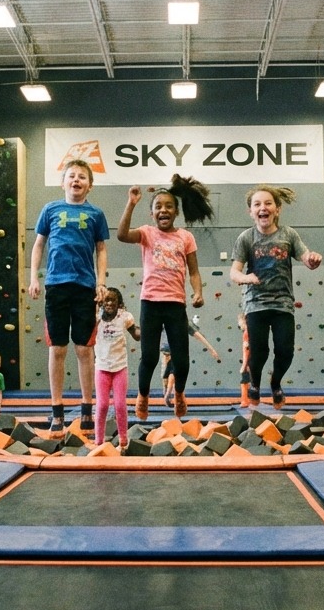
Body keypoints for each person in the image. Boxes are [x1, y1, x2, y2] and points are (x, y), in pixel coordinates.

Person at [117, 175, 213, 419]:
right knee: (148, 357)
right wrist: (131, 203)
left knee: (181, 360)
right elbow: (121, 235)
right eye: (158, 206)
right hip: (150, 303)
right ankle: (143, 396)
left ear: (176, 212)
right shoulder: (147, 233)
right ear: (152, 214)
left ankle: (179, 394)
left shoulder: (185, 237)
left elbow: (193, 271)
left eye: (168, 206)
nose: (163, 210)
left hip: (175, 305)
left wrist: (198, 292)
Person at [29, 159, 109, 433]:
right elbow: (38, 244)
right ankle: (57, 410)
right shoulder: (50, 209)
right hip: (56, 285)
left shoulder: (96, 214)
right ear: (63, 182)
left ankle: (88, 408)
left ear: (90, 185)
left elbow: (101, 249)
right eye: (71, 176)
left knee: (84, 349)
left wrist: (101, 282)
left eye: (82, 177)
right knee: (58, 348)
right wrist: (33, 278)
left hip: (85, 286)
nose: (76, 180)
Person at [231, 184, 323, 410]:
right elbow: (233, 271)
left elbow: (305, 257)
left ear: (278, 209)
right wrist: (246, 278)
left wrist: (312, 260)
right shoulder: (246, 238)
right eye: (257, 204)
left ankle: (276, 382)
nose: (263, 208)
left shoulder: (288, 234)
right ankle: (254, 382)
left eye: (268, 203)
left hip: (283, 303)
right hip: (256, 304)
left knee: (285, 350)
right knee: (259, 350)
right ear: (250, 212)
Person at [93, 288, 139, 448]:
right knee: (102, 405)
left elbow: (136, 334)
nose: (110, 303)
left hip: (120, 367)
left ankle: (123, 440)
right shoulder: (97, 316)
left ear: (119, 303)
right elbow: (87, 332)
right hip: (102, 367)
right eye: (106, 300)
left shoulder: (124, 317)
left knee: (120, 404)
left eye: (113, 300)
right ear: (102, 302)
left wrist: (149, 330)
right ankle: (99, 441)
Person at [158, 316, 221, 408]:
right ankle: (170, 394)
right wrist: (211, 349)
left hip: (171, 352)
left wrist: (211, 349)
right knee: (169, 375)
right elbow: (198, 336)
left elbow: (198, 335)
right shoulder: (167, 320)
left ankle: (171, 394)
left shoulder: (180, 320)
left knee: (171, 374)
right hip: (169, 352)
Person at [236, 310, 252, 408]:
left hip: (249, 360)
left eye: (239, 322)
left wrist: (244, 365)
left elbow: (247, 350)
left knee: (244, 380)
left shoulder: (246, 333)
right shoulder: (250, 332)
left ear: (244, 321)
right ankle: (248, 400)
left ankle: (245, 401)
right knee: (248, 380)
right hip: (251, 360)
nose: (239, 324)